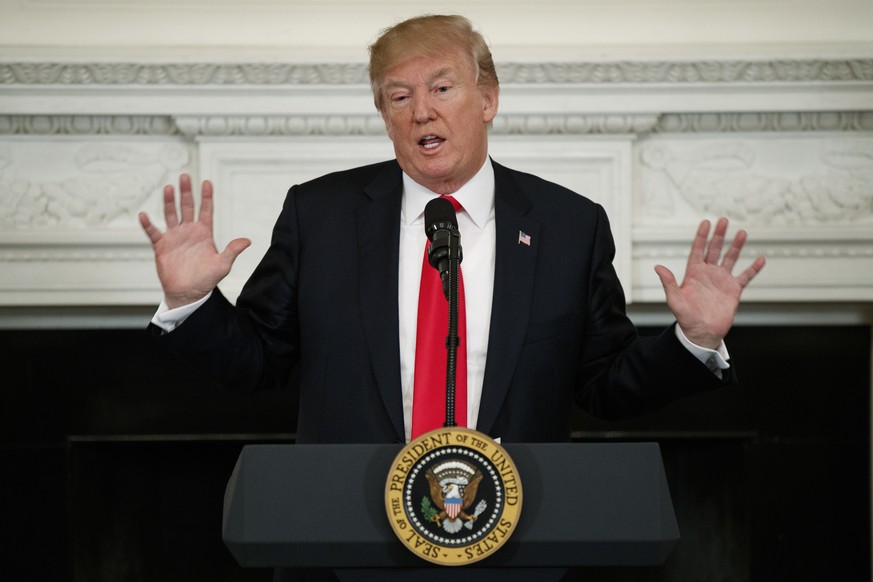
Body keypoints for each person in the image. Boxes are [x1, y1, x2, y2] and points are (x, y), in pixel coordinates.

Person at [139, 14, 765, 445]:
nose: (423, 111)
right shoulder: (320, 215)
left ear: (487, 98)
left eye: (442, 87)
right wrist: (192, 301)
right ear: (384, 114)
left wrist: (693, 341)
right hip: (344, 536)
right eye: (399, 96)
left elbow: (604, 386)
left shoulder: (569, 226)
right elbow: (257, 364)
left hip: (517, 536)